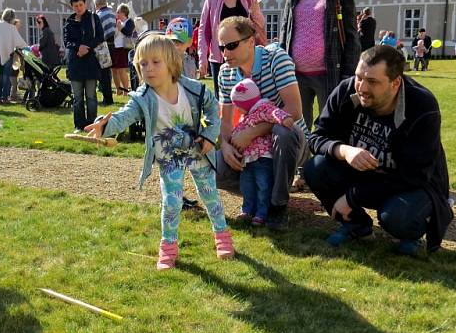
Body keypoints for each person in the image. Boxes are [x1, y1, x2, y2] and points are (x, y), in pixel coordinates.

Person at [85, 34, 232, 270]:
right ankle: (168, 247)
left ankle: (222, 234)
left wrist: (209, 135)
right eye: (143, 63)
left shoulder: (193, 89)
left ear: (171, 62)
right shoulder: (142, 98)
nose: (149, 69)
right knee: (172, 201)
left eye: (155, 62)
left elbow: (214, 109)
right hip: (168, 156)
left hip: (197, 149)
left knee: (209, 193)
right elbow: (123, 116)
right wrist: (104, 125)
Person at [303, 45, 453, 256]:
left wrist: (352, 197)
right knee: (316, 168)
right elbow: (317, 137)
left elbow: (415, 175)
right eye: (359, 77)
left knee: (398, 217)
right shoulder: (348, 91)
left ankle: (411, 233)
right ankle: (356, 225)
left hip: (409, 184)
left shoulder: (421, 106)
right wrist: (344, 150)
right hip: (365, 175)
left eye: (372, 81)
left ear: (395, 83)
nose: (362, 87)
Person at [216, 16, 307, 231]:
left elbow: (294, 110)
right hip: (252, 151)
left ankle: (278, 205)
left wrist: (252, 133)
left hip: (289, 142)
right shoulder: (226, 72)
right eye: (221, 47)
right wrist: (226, 146)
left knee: (282, 132)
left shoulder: (276, 58)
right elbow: (225, 122)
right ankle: (257, 197)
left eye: (231, 46)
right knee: (215, 164)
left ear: (251, 41)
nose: (225, 53)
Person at [279, 0, 360, 131]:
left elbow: (352, 37)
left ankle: (326, 158)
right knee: (298, 127)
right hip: (296, 75)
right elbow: (285, 34)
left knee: (330, 125)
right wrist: (281, 69)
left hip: (329, 73)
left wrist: (348, 74)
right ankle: (303, 160)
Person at [230, 78, 294, 229]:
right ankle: (247, 210)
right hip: (248, 159)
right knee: (247, 185)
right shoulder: (245, 116)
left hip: (263, 157)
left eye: (238, 106)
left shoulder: (262, 109)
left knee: (263, 185)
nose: (238, 109)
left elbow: (274, 112)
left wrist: (284, 118)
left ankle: (261, 213)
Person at [198, 0, 267, 93]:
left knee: (248, 95)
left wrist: (255, 12)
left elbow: (260, 24)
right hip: (221, 57)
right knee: (224, 99)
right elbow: (203, 30)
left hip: (245, 55)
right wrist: (202, 59)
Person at [64, 0, 103, 132]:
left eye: (81, 5)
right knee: (78, 98)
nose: (79, 8)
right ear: (72, 7)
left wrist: (87, 48)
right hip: (75, 64)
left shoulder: (93, 18)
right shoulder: (69, 21)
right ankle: (79, 125)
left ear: (85, 4)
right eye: (76, 6)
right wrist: (77, 47)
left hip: (91, 62)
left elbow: (100, 36)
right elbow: (67, 41)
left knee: (91, 97)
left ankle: (92, 125)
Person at [0, 8, 27, 104]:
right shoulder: (11, 27)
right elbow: (19, 41)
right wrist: (27, 47)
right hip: (9, 55)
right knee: (6, 77)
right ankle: (5, 97)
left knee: (1, 76)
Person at [94, 0, 115, 106]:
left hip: (103, 46)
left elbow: (97, 33)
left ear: (97, 4)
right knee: (106, 73)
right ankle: (108, 97)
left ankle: (107, 98)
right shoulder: (112, 13)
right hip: (113, 46)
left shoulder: (99, 15)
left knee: (103, 74)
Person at [112, 3, 134, 95]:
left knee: (121, 69)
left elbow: (128, 32)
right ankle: (118, 89)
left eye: (118, 12)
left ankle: (125, 90)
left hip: (123, 48)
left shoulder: (129, 21)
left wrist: (121, 28)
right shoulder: (116, 21)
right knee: (114, 69)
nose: (116, 13)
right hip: (114, 47)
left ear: (123, 12)